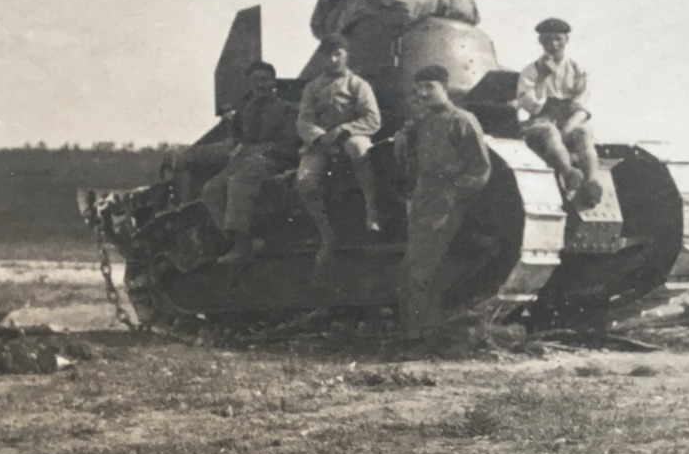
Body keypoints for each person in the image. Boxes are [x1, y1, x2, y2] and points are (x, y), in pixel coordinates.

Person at [394, 64, 492, 340]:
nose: (423, 93)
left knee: (420, 270)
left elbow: (480, 168)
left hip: (446, 202)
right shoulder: (425, 121)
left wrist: (454, 195)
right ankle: (418, 332)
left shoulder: (462, 120)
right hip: (425, 199)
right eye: (419, 88)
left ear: (444, 88)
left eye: (430, 87)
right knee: (413, 269)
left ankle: (421, 336)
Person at [295, 34, 383, 269]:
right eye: (329, 55)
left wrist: (345, 129)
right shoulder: (312, 88)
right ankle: (327, 234)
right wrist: (320, 137)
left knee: (359, 149)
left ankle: (371, 211)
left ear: (346, 55)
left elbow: (373, 120)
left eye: (338, 54)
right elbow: (304, 120)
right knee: (304, 180)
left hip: (350, 138)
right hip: (321, 143)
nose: (333, 60)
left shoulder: (358, 85)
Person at [199, 61, 301, 264]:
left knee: (239, 182)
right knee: (211, 189)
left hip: (273, 157)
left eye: (265, 80)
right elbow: (236, 133)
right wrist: (234, 143)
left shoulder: (287, 109)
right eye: (255, 81)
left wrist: (267, 155)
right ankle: (242, 238)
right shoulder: (245, 108)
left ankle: (241, 247)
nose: (260, 85)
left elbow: (290, 142)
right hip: (245, 155)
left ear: (273, 82)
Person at [516, 17, 603, 209]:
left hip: (569, 118)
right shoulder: (531, 71)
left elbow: (582, 101)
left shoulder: (577, 68)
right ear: (541, 42)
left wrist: (571, 124)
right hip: (542, 119)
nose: (553, 44)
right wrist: (542, 79)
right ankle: (569, 173)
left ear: (566, 40)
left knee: (584, 133)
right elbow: (530, 104)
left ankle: (592, 182)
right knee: (549, 131)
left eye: (558, 39)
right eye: (547, 40)